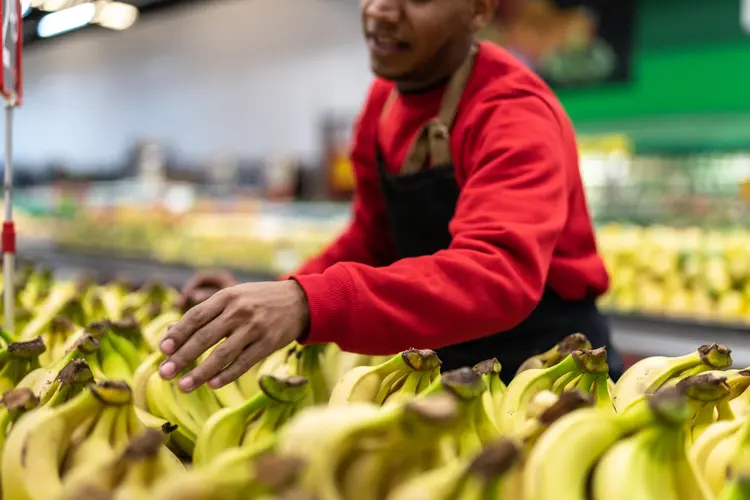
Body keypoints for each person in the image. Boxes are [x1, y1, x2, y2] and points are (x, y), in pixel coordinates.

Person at [158, 0, 624, 393]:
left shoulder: (514, 113)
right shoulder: (385, 103)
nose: (380, 11)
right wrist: (275, 295)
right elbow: (373, 240)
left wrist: (307, 304)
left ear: (480, 10)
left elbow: (496, 274)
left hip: (548, 372)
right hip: (442, 362)